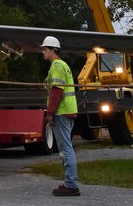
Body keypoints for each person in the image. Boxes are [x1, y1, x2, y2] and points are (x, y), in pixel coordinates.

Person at [41, 36, 80, 197]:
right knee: (66, 147)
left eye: (45, 49)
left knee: (65, 149)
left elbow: (57, 91)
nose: (43, 52)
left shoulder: (57, 66)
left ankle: (71, 185)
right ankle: (70, 183)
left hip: (62, 112)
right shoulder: (62, 65)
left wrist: (50, 112)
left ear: (53, 50)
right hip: (68, 111)